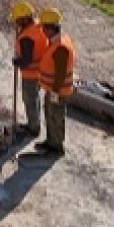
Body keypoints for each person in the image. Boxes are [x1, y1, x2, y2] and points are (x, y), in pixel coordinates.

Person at [36, 8, 75, 156]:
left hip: (58, 90)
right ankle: (50, 141)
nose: (42, 31)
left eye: (43, 28)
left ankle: (57, 147)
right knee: (49, 115)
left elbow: (60, 73)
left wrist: (55, 92)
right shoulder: (55, 41)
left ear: (50, 28)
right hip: (52, 89)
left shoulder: (61, 48)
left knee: (56, 117)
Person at [9, 1, 49, 139]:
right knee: (35, 99)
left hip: (31, 74)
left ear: (25, 19)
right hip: (40, 72)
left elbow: (26, 60)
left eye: (18, 20)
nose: (16, 23)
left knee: (30, 100)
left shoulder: (27, 37)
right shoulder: (37, 26)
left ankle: (33, 128)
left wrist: (16, 61)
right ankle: (34, 123)